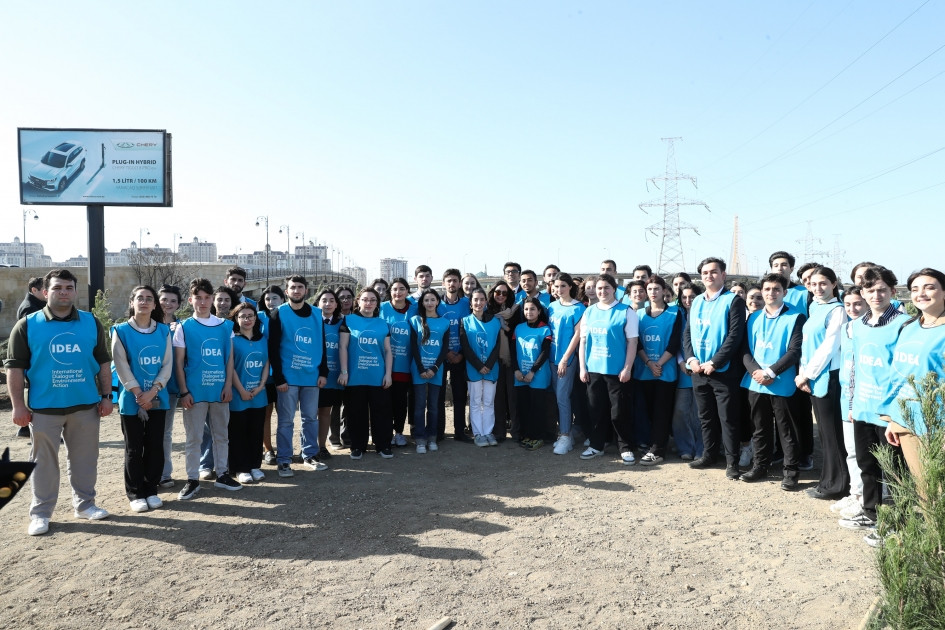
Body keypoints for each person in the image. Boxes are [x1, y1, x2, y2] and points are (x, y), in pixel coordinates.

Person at [6, 269, 113, 536]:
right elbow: (14, 368)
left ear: (75, 292)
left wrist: (107, 396)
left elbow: (103, 363)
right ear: (45, 292)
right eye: (57, 288)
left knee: (85, 460)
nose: (63, 292)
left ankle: (85, 505)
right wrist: (18, 405)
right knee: (43, 462)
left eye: (68, 287)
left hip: (85, 406)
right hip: (44, 409)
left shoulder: (91, 323)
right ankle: (41, 513)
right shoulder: (28, 325)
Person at [840, 266, 907, 536]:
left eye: (882, 289)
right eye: (870, 290)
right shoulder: (856, 326)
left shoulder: (904, 324)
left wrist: (896, 415)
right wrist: (853, 405)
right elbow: (855, 366)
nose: (876, 295)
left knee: (895, 469)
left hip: (889, 413)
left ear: (893, 291)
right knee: (867, 465)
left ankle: (902, 521)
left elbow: (904, 372)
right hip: (864, 408)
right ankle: (871, 512)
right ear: (863, 293)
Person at [173, 278, 241, 500]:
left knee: (222, 435)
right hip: (195, 392)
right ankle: (193, 480)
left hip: (219, 390)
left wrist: (228, 385)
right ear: (191, 300)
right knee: (194, 438)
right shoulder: (183, 327)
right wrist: (184, 391)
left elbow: (228, 359)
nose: (202, 302)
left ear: (212, 299)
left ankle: (222, 475)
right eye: (198, 298)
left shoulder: (225, 326)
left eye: (206, 298)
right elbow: (179, 363)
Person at [738, 274, 805, 489]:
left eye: (776, 289)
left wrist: (770, 372)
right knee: (759, 428)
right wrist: (757, 372)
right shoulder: (754, 317)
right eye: (767, 289)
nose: (771, 293)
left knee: (786, 430)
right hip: (755, 381)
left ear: (784, 292)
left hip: (781, 382)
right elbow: (745, 349)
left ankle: (791, 471)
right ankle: (760, 465)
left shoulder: (796, 317)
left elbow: (794, 351)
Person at [883, 268, 945, 500]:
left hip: (939, 425)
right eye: (915, 289)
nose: (921, 293)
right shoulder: (909, 327)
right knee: (925, 492)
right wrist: (893, 420)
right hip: (908, 421)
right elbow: (900, 374)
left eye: (929, 287)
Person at [683, 257, 747, 479]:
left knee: (728, 418)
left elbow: (735, 336)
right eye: (704, 273)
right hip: (698, 370)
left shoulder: (733, 301)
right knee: (705, 416)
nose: (708, 276)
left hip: (724, 371)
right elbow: (688, 333)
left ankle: (732, 462)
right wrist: (691, 359)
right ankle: (709, 455)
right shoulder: (697, 301)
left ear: (723, 275)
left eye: (713, 272)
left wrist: (715, 362)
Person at [112, 285, 173, 512]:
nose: (145, 302)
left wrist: (153, 390)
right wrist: (139, 393)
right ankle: (136, 492)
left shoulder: (164, 331)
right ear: (132, 302)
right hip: (132, 400)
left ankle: (151, 489)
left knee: (155, 445)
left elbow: (167, 364)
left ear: (155, 304)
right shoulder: (120, 331)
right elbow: (120, 364)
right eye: (140, 298)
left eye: (149, 298)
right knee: (134, 448)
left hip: (157, 396)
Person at [795, 267, 850, 500]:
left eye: (823, 283)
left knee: (833, 434)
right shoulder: (815, 306)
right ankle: (828, 481)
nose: (817, 288)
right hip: (812, 375)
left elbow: (829, 347)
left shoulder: (838, 310)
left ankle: (837, 485)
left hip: (828, 376)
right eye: (813, 283)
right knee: (826, 436)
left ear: (834, 283)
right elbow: (807, 344)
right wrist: (803, 372)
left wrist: (806, 374)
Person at [267, 275, 328, 477]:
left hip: (311, 376)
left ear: (306, 291)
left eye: (300, 287)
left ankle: (310, 454)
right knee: (285, 420)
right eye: (292, 287)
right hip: (288, 378)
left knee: (310, 418)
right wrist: (279, 378)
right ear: (287, 291)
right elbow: (273, 349)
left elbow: (322, 345)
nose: (296, 290)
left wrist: (323, 372)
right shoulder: (278, 314)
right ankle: (284, 459)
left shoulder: (317, 314)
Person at [578, 274, 640, 464]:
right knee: (596, 409)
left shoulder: (626, 311)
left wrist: (627, 368)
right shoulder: (589, 312)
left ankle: (625, 447)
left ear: (614, 289)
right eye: (599, 288)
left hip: (617, 371)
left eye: (606, 288)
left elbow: (632, 342)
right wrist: (582, 367)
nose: (602, 291)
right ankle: (597, 445)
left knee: (619, 411)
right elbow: (583, 341)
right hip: (594, 369)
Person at [338, 288, 393, 459]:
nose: (368, 303)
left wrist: (388, 374)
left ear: (377, 304)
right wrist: (344, 371)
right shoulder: (348, 320)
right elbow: (343, 347)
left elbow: (388, 350)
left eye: (372, 300)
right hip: (355, 376)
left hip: (378, 376)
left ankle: (383, 445)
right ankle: (357, 446)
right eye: (365, 299)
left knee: (381, 412)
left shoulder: (383, 323)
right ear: (358, 301)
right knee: (356, 413)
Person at [633, 275, 682, 465]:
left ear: (664, 291)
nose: (653, 293)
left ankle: (658, 449)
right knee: (646, 411)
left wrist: (659, 364)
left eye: (657, 289)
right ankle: (649, 443)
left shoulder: (675, 312)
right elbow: (635, 341)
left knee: (662, 411)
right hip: (644, 370)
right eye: (650, 289)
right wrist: (648, 363)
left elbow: (675, 342)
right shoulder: (638, 314)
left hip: (665, 371)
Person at [831, 286, 867, 519]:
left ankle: (867, 498)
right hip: (847, 397)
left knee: (866, 453)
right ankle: (855, 494)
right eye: (848, 305)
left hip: (865, 399)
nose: (852, 309)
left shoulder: (873, 328)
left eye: (857, 304)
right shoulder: (846, 328)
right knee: (851, 451)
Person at [228, 302, 269, 484]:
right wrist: (241, 390)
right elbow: (231, 369)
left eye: (250, 316)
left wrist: (261, 386)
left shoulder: (263, 339)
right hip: (239, 395)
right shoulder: (232, 340)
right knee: (238, 432)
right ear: (236, 320)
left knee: (256, 431)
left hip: (258, 394)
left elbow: (267, 364)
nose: (247, 319)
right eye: (242, 316)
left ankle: (254, 465)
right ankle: (241, 468)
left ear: (255, 318)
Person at [547, 273, 586, 454]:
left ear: (570, 287)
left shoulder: (579, 308)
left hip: (567, 359)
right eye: (557, 286)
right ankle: (565, 432)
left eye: (563, 286)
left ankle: (565, 435)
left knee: (563, 396)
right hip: (551, 357)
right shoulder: (552, 307)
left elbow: (577, 336)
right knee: (557, 396)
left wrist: (565, 358)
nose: (559, 289)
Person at [460, 288, 502, 447]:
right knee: (476, 402)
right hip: (473, 368)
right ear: (470, 303)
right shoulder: (465, 321)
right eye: (475, 300)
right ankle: (478, 433)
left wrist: (489, 364)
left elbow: (497, 345)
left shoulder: (495, 321)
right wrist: (478, 365)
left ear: (486, 302)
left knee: (489, 402)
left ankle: (488, 432)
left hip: (492, 368)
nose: (478, 303)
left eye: (481, 299)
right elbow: (465, 347)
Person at [410, 289, 450, 452]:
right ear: (422, 303)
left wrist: (434, 368)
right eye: (426, 300)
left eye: (433, 300)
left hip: (436, 369)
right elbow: (413, 346)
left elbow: (444, 348)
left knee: (433, 406)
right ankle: (420, 439)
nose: (430, 303)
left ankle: (432, 437)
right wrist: (421, 368)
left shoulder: (444, 322)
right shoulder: (415, 320)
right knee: (419, 406)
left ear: (437, 302)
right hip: (418, 369)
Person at [380, 278, 417, 447]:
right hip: (383, 364)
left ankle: (399, 432)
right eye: (394, 289)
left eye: (402, 289)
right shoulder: (382, 308)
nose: (398, 292)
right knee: (384, 402)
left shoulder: (415, 308)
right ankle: (384, 433)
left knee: (401, 401)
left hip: (405, 364)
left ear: (407, 291)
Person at [512, 297, 553, 450]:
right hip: (520, 374)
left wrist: (532, 371)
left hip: (538, 375)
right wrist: (516, 370)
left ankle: (538, 436)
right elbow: (512, 350)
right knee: (524, 406)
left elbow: (545, 352)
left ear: (539, 311)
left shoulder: (545, 329)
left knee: (537, 407)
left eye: (533, 309)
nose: (529, 312)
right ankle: (527, 435)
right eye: (526, 309)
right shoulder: (518, 328)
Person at [438, 268, 472, 442]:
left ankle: (460, 431)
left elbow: (470, 330)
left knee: (460, 395)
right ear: (444, 283)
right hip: (440, 356)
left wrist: (460, 354)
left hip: (460, 355)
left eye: (455, 281)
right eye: (448, 280)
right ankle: (439, 432)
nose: (452, 284)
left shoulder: (467, 303)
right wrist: (445, 353)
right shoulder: (437, 303)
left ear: (460, 284)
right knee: (439, 394)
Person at [671, 282, 703, 460]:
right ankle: (685, 447)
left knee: (700, 413)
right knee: (681, 411)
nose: (688, 300)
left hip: (703, 370)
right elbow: (675, 341)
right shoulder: (678, 315)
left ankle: (701, 449)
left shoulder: (705, 313)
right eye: (684, 297)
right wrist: (681, 361)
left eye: (692, 296)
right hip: (683, 370)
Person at [13, 277, 47, 440]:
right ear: (34, 290)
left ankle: (26, 429)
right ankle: (27, 427)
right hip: (33, 358)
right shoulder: (30, 308)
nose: (47, 294)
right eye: (44, 290)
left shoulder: (33, 305)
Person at [157, 284, 183, 488]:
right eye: (164, 299)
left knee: (165, 431)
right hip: (145, 387)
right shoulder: (146, 325)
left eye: (173, 301)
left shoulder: (181, 327)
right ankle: (148, 471)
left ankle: (165, 473)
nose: (168, 304)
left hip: (171, 387)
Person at [257, 284, 286, 465]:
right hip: (264, 374)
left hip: (285, 372)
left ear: (283, 299)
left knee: (284, 414)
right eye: (267, 299)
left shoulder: (289, 316)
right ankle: (268, 449)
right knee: (266, 414)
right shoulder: (258, 317)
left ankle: (285, 448)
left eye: (275, 298)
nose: (271, 302)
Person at [488, 280, 518, 441]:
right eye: (498, 292)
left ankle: (516, 430)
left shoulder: (515, 312)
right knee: (497, 397)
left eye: (504, 293)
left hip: (511, 359)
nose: (500, 295)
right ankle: (498, 431)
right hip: (494, 358)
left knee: (513, 397)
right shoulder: (487, 312)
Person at [316, 289, 344, 454]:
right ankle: (310, 446)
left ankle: (322, 446)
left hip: (333, 376)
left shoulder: (343, 323)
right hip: (314, 375)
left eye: (331, 300)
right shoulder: (311, 322)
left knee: (326, 411)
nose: (328, 304)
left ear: (336, 304)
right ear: (318, 303)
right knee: (310, 414)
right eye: (324, 300)